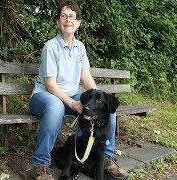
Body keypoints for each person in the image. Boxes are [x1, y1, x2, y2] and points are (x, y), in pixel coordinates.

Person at [29, 0, 129, 179]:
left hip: (71, 97)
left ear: (78, 23)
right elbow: (51, 85)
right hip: (45, 97)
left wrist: (101, 100)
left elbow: (86, 77)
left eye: (72, 17)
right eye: (63, 16)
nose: (68, 20)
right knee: (56, 107)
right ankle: (41, 163)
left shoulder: (80, 47)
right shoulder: (50, 47)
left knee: (108, 110)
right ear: (58, 22)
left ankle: (106, 158)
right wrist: (72, 103)